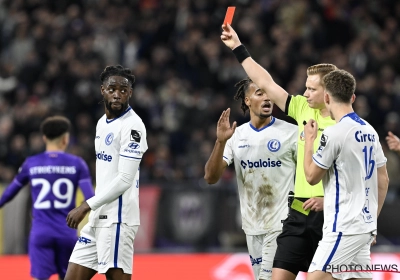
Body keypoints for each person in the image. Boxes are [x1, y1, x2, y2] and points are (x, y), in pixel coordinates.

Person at [221, 24, 336, 279]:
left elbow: (365, 179)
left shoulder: (344, 125)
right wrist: (238, 48)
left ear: (328, 92)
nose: (304, 93)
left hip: (330, 215)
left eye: (311, 89)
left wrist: (333, 203)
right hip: (297, 214)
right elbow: (264, 81)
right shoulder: (302, 109)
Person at [204, 77, 297, 280]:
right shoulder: (236, 136)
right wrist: (220, 142)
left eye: (268, 94)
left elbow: (311, 173)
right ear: (247, 100)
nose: (267, 98)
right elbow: (211, 177)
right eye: (259, 93)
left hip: (283, 224)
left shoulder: (291, 133)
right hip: (252, 226)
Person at [303, 69, 389, 280]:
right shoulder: (370, 130)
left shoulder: (334, 133)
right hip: (364, 227)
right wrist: (372, 222)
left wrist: (309, 142)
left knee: (314, 278)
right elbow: (383, 180)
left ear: (326, 97)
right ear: (352, 97)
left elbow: (311, 176)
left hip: (344, 227)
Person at [65, 65, 148, 280]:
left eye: (123, 90)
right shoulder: (102, 123)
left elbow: (125, 179)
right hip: (97, 218)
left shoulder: (133, 127)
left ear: (130, 93)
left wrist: (85, 205)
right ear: (103, 90)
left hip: (117, 220)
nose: (117, 94)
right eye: (112, 89)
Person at [0, 116, 95, 280]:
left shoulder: (31, 163)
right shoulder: (77, 164)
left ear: (44, 137)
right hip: (67, 232)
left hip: (40, 233)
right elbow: (91, 198)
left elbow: (10, 192)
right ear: (65, 139)